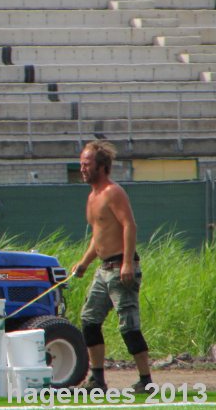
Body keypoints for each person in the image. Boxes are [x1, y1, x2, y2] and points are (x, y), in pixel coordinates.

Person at [73, 141, 152, 393]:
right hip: (103, 269)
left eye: (87, 164)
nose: (82, 168)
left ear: (102, 166)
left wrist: (127, 263)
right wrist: (84, 263)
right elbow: (99, 236)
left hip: (120, 267)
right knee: (89, 320)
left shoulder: (112, 192)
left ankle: (146, 380)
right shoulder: (92, 196)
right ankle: (97, 379)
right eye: (81, 164)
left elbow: (129, 225)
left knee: (128, 326)